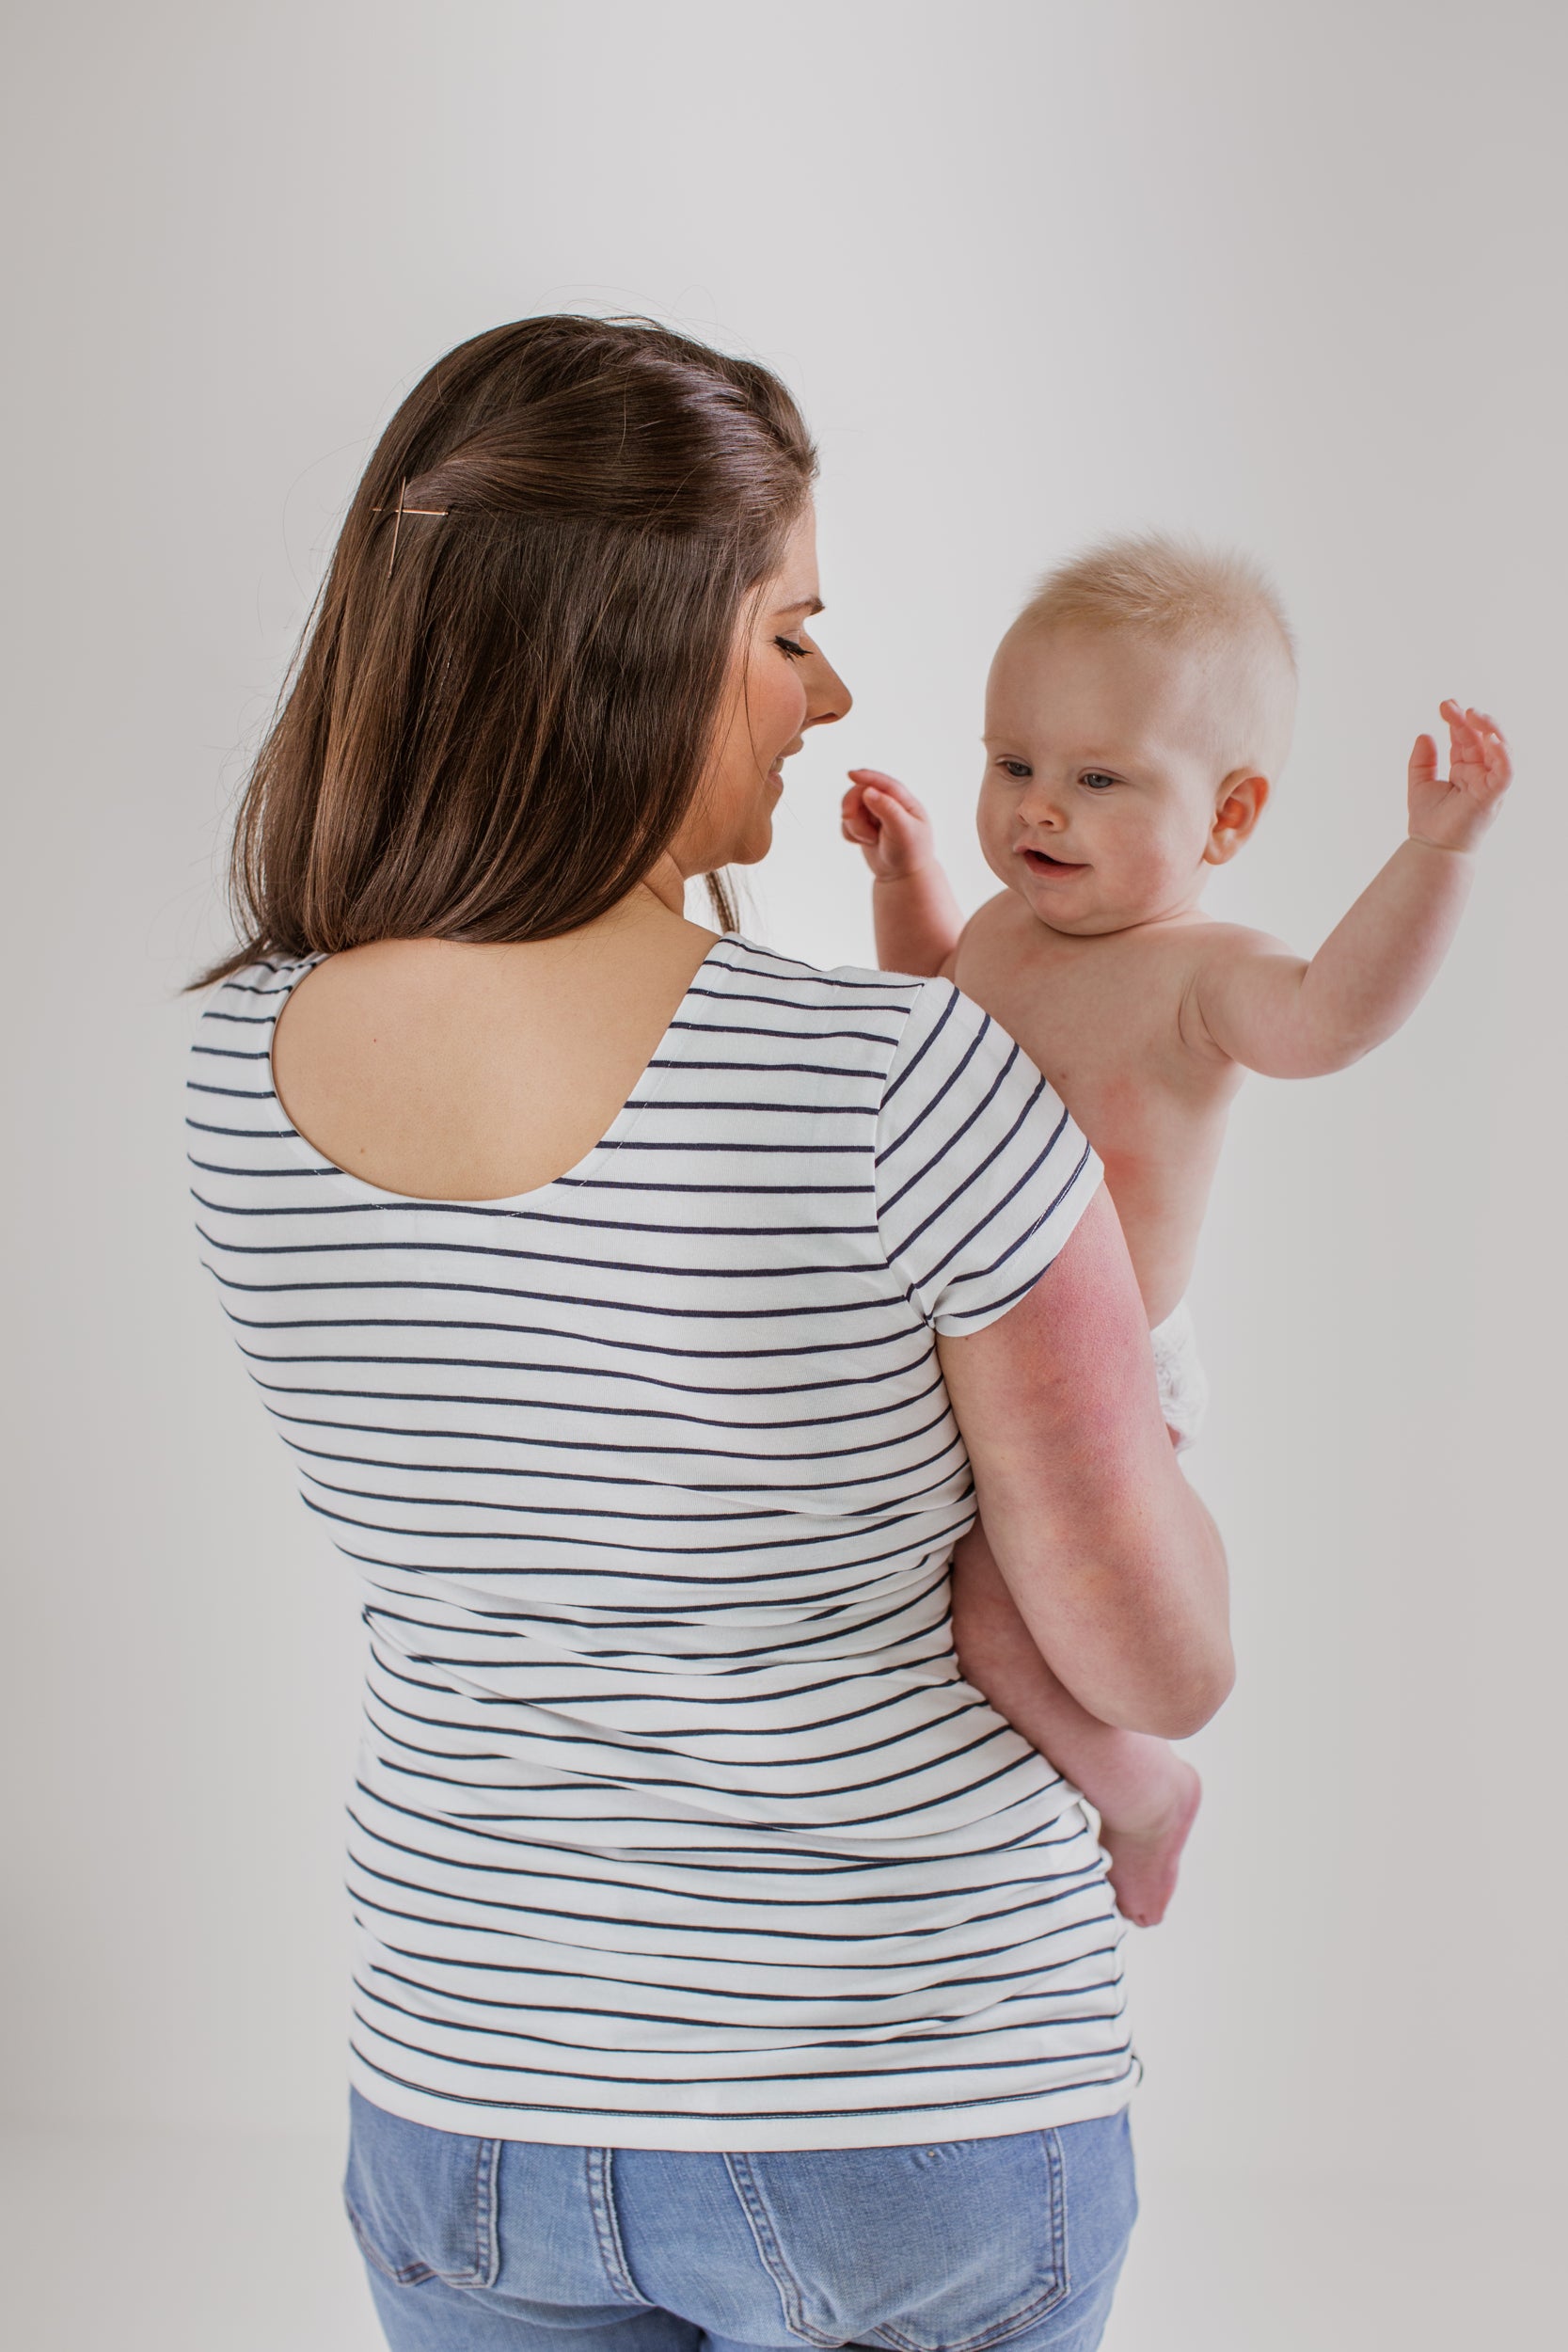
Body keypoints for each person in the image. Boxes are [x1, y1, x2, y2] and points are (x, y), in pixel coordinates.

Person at [190, 318, 1230, 2352]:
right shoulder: (900, 1076)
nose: (833, 693)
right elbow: (1162, 1657)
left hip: (464, 2104)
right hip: (898, 2099)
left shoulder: (243, 1064)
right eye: (789, 628)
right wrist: (1151, 1361)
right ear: (631, 639)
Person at [841, 533, 1513, 1929]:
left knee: (993, 1624)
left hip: (1108, 1386)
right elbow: (924, 1027)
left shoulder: (1203, 976)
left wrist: (1434, 854)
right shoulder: (1001, 942)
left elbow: (1331, 1020)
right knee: (913, 1606)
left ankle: (1142, 1792)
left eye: (1099, 779)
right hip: (968, 1368)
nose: (1041, 810)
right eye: (1012, 763)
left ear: (1227, 817)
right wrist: (906, 879)